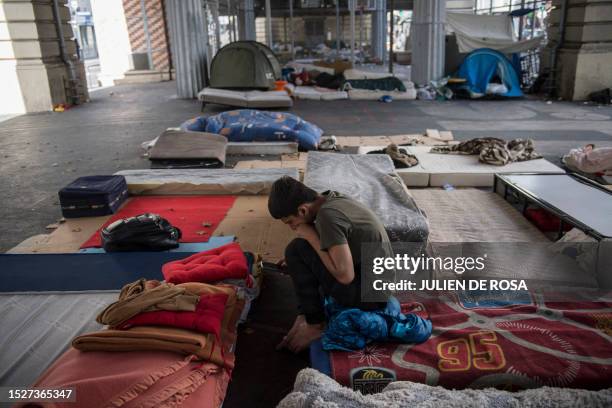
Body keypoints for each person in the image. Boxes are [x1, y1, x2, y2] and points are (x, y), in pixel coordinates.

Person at [268, 176, 392, 353]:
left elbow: (345, 275)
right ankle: (305, 314)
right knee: (299, 250)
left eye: (290, 222)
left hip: (370, 296)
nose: (292, 227)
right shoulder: (330, 199)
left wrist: (310, 235)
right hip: (375, 282)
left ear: (303, 210)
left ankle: (315, 324)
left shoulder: (328, 216)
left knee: (295, 250)